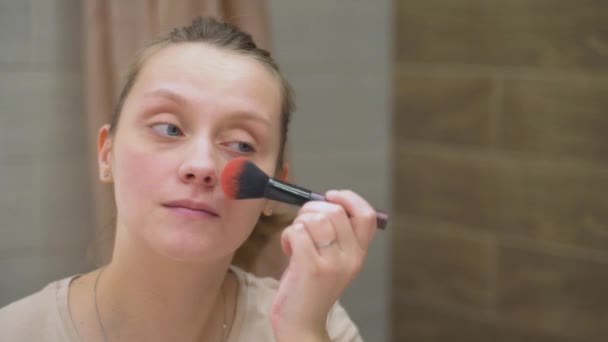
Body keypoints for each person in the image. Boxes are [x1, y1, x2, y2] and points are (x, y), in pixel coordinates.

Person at [0, 17, 379, 341]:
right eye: (168, 128)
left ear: (272, 190)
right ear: (106, 154)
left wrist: (300, 329)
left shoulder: (320, 324)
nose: (202, 166)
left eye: (241, 144)